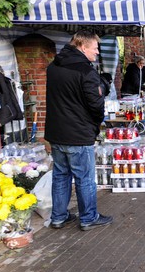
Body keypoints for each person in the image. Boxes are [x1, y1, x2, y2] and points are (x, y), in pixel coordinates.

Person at [45, 30, 113, 231]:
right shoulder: (86, 71)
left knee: (60, 175)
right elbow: (96, 105)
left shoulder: (53, 67)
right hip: (78, 133)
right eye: (95, 48)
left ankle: (58, 216)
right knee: (84, 178)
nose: (97, 52)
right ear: (83, 47)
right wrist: (95, 125)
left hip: (56, 132)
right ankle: (88, 217)